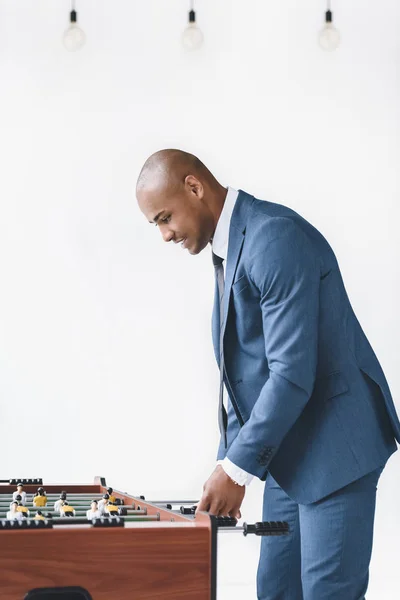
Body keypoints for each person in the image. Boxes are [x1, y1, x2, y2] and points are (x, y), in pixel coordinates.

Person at [136, 149, 400, 600]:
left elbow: (291, 374)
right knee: (275, 589)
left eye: (164, 218)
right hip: (291, 450)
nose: (164, 235)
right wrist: (227, 464)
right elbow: (249, 375)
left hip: (337, 447)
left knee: (326, 592)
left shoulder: (273, 238)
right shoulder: (231, 247)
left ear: (194, 188)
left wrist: (237, 471)